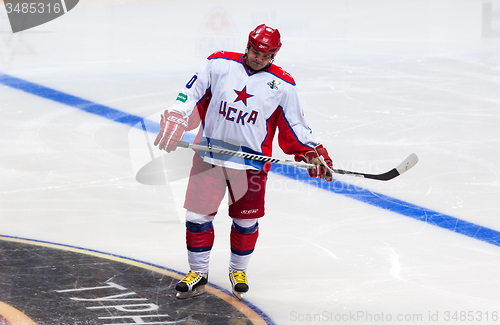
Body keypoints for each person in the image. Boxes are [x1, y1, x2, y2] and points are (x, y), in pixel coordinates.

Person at [154, 24, 333, 300]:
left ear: (274, 54)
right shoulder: (218, 64)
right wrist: (178, 114)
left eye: (266, 55)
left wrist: (311, 151)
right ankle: (198, 273)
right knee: (196, 217)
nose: (259, 58)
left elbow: (295, 124)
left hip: (250, 166)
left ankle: (238, 271)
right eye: (256, 51)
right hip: (209, 156)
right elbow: (191, 93)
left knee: (245, 222)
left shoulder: (283, 85)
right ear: (248, 45)